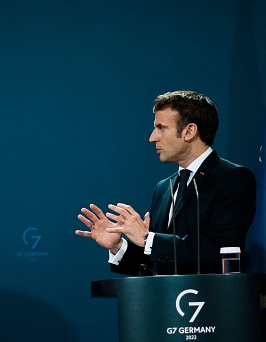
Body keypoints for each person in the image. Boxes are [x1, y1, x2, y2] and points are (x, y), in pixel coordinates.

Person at [76, 90, 256, 275]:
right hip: (166, 302)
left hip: (210, 301)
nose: (152, 137)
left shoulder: (232, 177)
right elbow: (159, 263)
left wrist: (147, 239)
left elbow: (221, 252)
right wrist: (119, 247)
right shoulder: (163, 188)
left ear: (189, 131)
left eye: (161, 128)